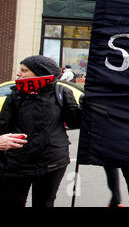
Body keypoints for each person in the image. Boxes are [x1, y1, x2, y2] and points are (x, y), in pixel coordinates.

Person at [0, 55, 81, 207]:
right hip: (17, 163)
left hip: (52, 163)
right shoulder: (16, 94)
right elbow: (3, 127)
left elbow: (75, 121)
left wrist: (85, 108)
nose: (19, 74)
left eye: (24, 70)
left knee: (44, 203)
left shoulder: (61, 92)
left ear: (40, 73)